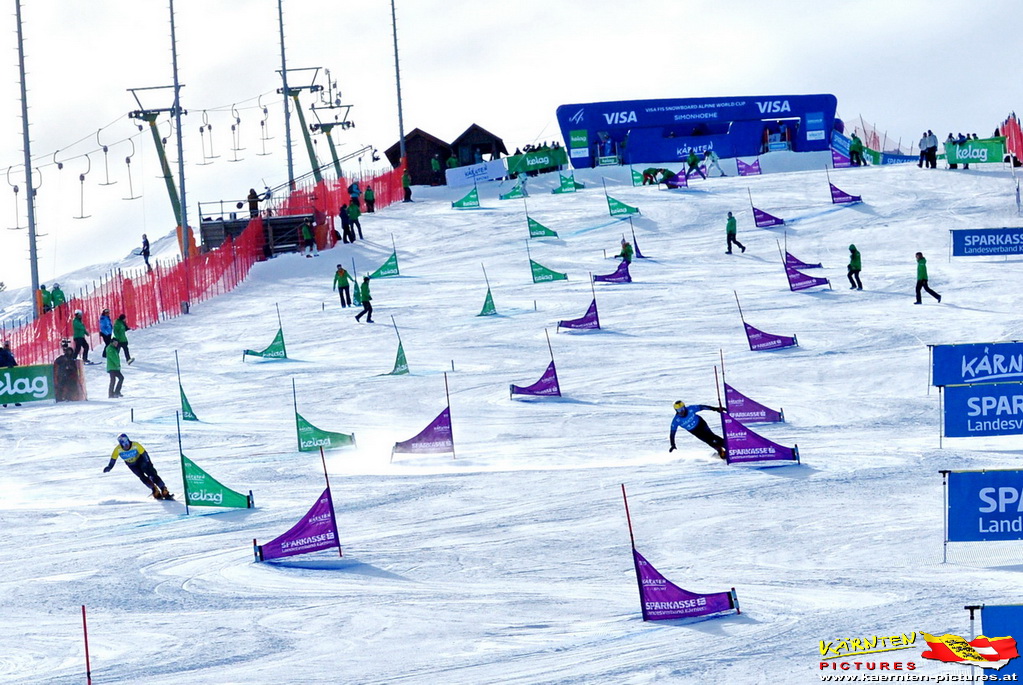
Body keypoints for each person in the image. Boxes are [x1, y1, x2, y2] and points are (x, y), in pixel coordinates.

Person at [103, 433, 173, 500]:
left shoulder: (135, 445)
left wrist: (148, 463)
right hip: (132, 465)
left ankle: (164, 490)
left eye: (127, 443)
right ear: (121, 444)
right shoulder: (118, 449)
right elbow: (113, 459)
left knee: (151, 474)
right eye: (124, 445)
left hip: (141, 460)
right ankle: (154, 490)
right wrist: (110, 467)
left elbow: (144, 454)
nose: (126, 446)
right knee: (142, 477)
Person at [0, 340, 20, 407]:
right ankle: (6, 401)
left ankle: (15, 401)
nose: (7, 346)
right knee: (6, 386)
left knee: (12, 386)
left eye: (8, 345)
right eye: (6, 345)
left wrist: (15, 366)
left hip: (10, 372)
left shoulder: (9, 353)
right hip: (5, 372)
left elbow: (12, 361)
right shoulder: (3, 353)